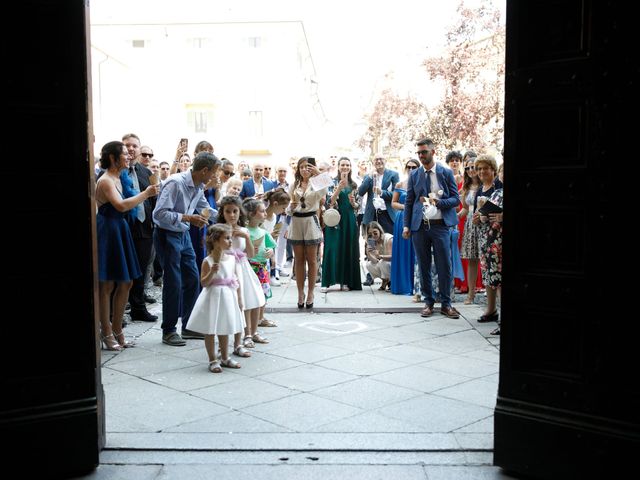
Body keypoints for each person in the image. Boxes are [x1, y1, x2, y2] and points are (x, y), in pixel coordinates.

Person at [152, 151, 221, 346]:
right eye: (214, 172)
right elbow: (159, 214)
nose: (215, 177)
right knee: (173, 281)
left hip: (183, 235)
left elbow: (205, 208)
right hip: (167, 234)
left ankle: (189, 326)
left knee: (192, 278)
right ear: (205, 170)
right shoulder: (175, 183)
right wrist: (188, 218)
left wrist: (229, 216)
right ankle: (169, 330)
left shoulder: (199, 186)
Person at [95, 141, 159, 351]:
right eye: (124, 153)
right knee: (107, 285)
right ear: (113, 158)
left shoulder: (119, 177)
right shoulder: (105, 180)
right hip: (109, 230)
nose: (129, 156)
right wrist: (145, 194)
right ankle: (106, 332)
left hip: (120, 229)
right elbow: (121, 205)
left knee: (127, 282)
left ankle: (117, 329)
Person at [403, 138, 461, 319]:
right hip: (420, 227)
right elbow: (409, 202)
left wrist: (439, 202)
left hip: (440, 226)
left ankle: (446, 304)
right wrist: (406, 226)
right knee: (423, 265)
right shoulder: (414, 175)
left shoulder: (445, 172)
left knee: (445, 266)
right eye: (419, 153)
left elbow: (456, 199)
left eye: (424, 152)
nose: (421, 156)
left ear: (433, 152)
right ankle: (428, 302)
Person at [185, 224, 246, 372]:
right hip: (213, 297)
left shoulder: (231, 259)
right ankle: (213, 359)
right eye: (226, 238)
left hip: (227, 296)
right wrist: (212, 272)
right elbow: (204, 283)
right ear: (216, 241)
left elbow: (234, 279)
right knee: (211, 329)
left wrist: (239, 298)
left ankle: (225, 357)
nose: (230, 241)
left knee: (225, 327)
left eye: (230, 238)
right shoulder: (208, 261)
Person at [215, 195, 263, 355]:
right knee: (231, 304)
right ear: (223, 213)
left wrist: (247, 237)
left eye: (235, 211)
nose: (232, 215)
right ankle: (228, 341)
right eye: (228, 212)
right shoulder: (219, 231)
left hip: (242, 268)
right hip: (226, 269)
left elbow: (249, 254)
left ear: (239, 212)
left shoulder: (244, 230)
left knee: (252, 299)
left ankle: (249, 334)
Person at [122, 133, 158, 322]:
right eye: (127, 145)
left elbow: (153, 200)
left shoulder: (146, 172)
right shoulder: (115, 171)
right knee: (122, 271)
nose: (131, 148)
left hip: (144, 228)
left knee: (141, 270)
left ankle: (138, 308)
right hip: (123, 227)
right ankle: (116, 313)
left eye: (134, 145)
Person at [287, 156, 327, 308]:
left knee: (312, 260)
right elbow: (288, 208)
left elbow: (325, 188)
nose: (305, 169)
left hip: (311, 221)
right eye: (302, 166)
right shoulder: (293, 185)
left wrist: (318, 173)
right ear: (298, 169)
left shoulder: (316, 183)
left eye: (308, 167)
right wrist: (290, 207)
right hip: (296, 222)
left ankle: (310, 292)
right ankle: (300, 292)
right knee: (299, 260)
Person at [320, 157, 362, 292]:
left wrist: (353, 203)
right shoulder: (331, 182)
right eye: (342, 165)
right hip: (334, 218)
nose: (345, 167)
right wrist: (338, 188)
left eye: (347, 165)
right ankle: (327, 282)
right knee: (331, 248)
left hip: (349, 219)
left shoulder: (354, 184)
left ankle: (345, 281)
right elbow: (328, 203)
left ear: (350, 167)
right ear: (338, 167)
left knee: (347, 248)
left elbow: (357, 206)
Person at [472, 154, 503, 324]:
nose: (482, 171)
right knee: (488, 274)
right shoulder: (479, 189)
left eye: (486, 168)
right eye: (479, 169)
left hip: (497, 237)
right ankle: (491, 310)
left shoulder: (499, 186)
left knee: (497, 275)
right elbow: (479, 214)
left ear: (493, 169)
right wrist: (477, 219)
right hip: (485, 236)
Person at [243, 198, 276, 344]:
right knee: (248, 301)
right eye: (262, 211)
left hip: (262, 269)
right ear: (251, 214)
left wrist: (270, 252)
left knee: (260, 300)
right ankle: (247, 333)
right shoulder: (244, 231)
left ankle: (254, 331)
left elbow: (271, 247)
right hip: (248, 267)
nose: (264, 213)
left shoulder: (263, 231)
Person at [390, 159, 421, 295]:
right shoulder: (400, 184)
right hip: (402, 219)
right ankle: (402, 285)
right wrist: (406, 207)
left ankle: (416, 285)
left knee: (416, 251)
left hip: (417, 219)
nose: (411, 169)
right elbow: (393, 203)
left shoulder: (422, 184)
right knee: (402, 251)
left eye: (414, 167)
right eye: (408, 167)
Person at [365, 221, 393, 290]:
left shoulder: (388, 238)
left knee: (382, 262)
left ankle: (390, 281)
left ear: (380, 231)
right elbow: (375, 261)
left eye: (375, 233)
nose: (373, 236)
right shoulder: (373, 242)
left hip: (395, 264)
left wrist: (380, 256)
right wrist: (368, 253)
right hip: (385, 264)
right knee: (369, 264)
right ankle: (386, 280)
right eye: (370, 234)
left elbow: (393, 257)